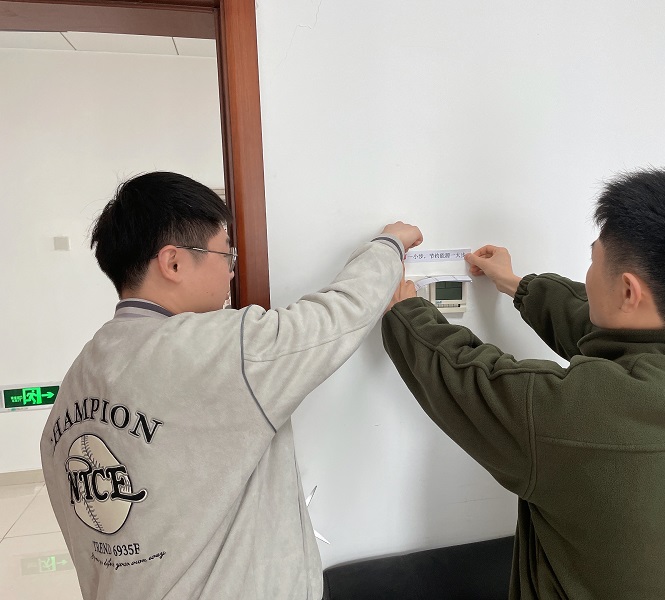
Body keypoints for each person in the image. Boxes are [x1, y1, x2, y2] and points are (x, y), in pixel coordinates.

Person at [382, 167, 665, 600]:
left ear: (628, 291)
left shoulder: (576, 415)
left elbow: (464, 375)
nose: (589, 275)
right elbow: (620, 336)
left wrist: (405, 310)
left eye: (594, 260)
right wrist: (517, 285)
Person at [40, 171, 422, 600]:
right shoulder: (218, 349)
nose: (230, 273)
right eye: (226, 255)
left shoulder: (79, 376)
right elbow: (340, 315)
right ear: (173, 263)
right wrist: (390, 244)